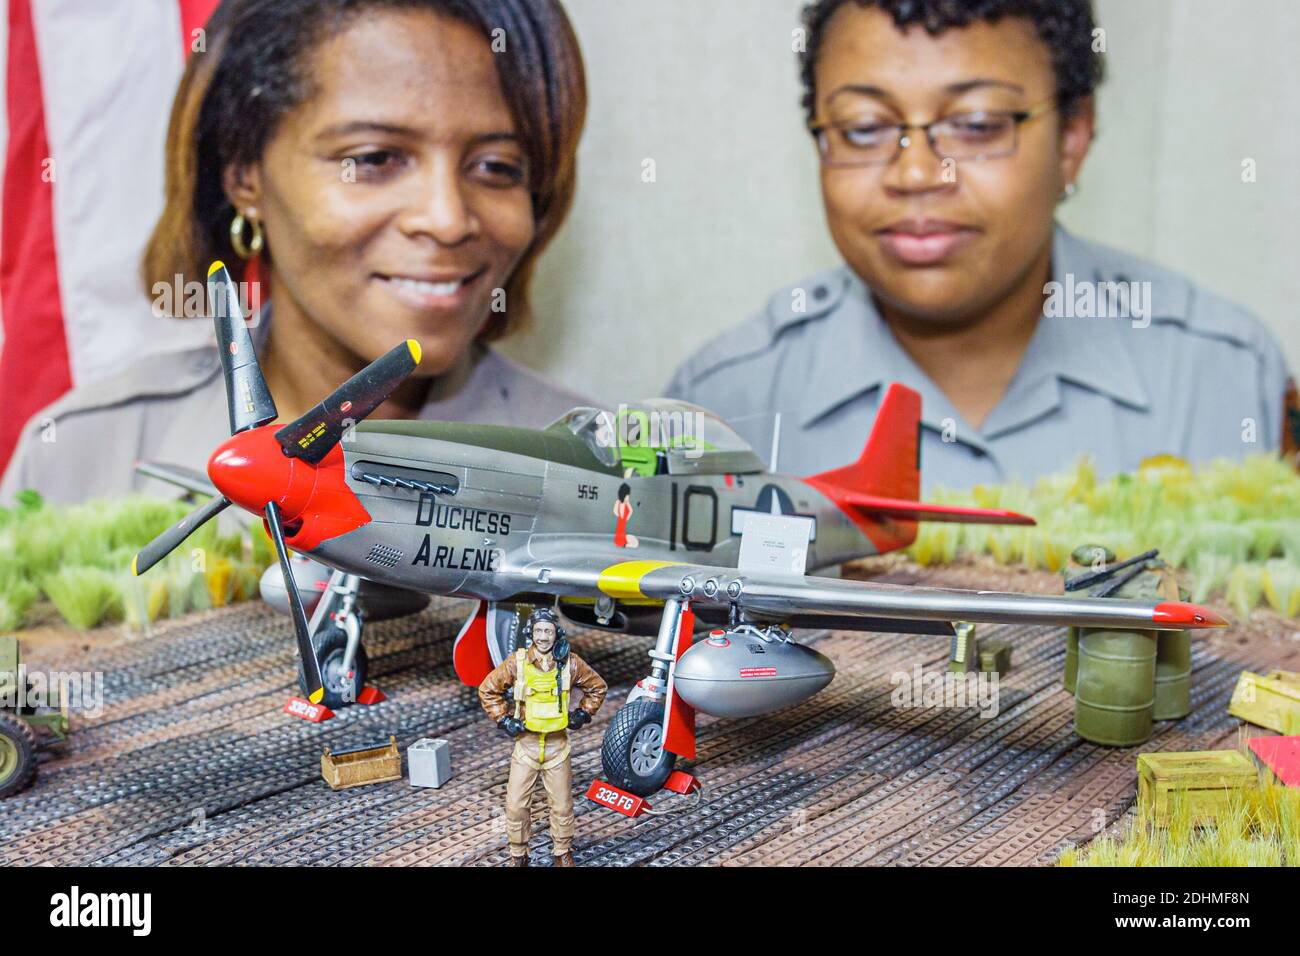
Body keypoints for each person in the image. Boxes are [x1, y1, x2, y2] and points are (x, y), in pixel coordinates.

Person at [665, 0, 1295, 493]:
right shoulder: (722, 409)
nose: (915, 175)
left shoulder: (1227, 377)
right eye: (863, 129)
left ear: (1073, 137)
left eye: (974, 125)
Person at [1, 0, 591, 506]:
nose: (446, 218)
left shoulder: (601, 473)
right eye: (374, 159)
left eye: (496, 167)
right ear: (245, 177)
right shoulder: (81, 458)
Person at [477, 607, 607, 867]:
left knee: (561, 806)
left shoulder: (570, 662)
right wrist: (503, 719)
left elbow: (597, 687)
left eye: (548, 631)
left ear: (556, 633)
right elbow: (488, 689)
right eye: (538, 630)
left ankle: (562, 851)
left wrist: (583, 713)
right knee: (515, 805)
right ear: (531, 633)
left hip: (558, 747)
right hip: (526, 746)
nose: (543, 637)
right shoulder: (518, 662)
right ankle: (518, 853)